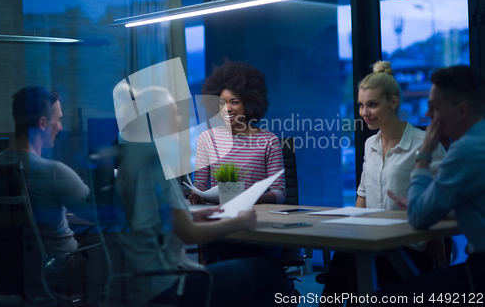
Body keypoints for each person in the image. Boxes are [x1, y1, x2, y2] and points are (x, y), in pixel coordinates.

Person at [114, 86, 295, 307]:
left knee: (261, 290)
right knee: (269, 271)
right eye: (175, 115)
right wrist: (240, 220)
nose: (181, 120)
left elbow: (161, 221)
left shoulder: (136, 163)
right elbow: (188, 233)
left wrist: (198, 216)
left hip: (151, 279)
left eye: (234, 102)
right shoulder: (154, 166)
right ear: (161, 124)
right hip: (168, 283)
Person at [319, 61, 446, 306]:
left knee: (347, 268)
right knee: (343, 260)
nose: (364, 113)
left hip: (407, 246)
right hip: (372, 242)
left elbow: (441, 197)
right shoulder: (370, 144)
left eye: (372, 105)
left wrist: (437, 236)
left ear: (394, 102)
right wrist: (348, 230)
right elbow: (363, 195)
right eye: (361, 105)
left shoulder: (424, 143)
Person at [374, 65, 485, 304]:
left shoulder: (464, 151)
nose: (427, 116)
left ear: (462, 110)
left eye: (433, 107)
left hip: (481, 274)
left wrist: (424, 154)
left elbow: (418, 217)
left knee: (376, 299)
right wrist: (425, 201)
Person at [0, 86, 92, 294]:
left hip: (10, 273)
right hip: (60, 272)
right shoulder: (53, 172)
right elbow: (98, 212)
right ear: (43, 123)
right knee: (108, 255)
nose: (61, 127)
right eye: (58, 119)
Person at [189, 60, 286, 205]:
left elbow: (280, 192)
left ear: (249, 103)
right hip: (220, 216)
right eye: (222, 103)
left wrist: (252, 198)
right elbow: (199, 186)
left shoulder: (268, 141)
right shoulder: (207, 138)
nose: (227, 108)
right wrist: (196, 195)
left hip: (255, 216)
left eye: (234, 102)